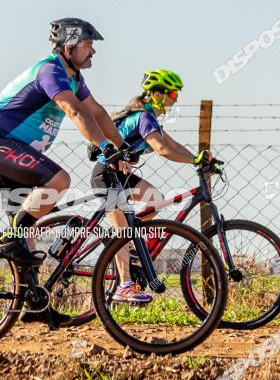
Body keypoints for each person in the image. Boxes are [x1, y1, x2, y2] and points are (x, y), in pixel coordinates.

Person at [0, 18, 130, 316]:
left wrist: (120, 147)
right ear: (68, 47)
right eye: (88, 45)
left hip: (11, 150)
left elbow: (97, 113)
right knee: (59, 179)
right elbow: (75, 110)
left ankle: (35, 306)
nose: (93, 52)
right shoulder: (50, 70)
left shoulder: (74, 78)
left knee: (27, 243)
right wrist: (104, 148)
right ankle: (9, 239)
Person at [91, 69, 219, 304]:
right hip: (107, 175)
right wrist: (194, 161)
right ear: (157, 95)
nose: (176, 98)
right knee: (124, 231)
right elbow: (162, 149)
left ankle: (129, 248)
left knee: (156, 199)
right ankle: (124, 285)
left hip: (121, 175)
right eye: (172, 93)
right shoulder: (143, 117)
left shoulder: (149, 117)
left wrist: (197, 159)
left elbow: (171, 143)